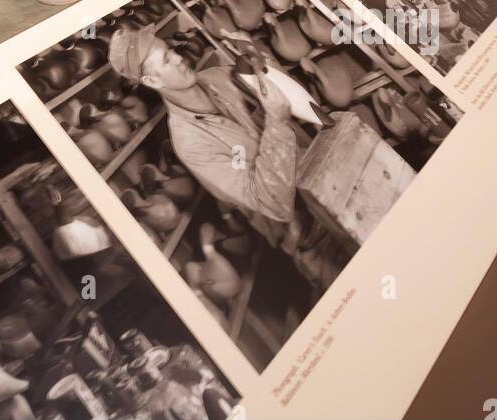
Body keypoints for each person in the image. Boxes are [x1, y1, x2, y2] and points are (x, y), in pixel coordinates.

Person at [108, 25, 347, 291]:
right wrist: (276, 125)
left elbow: (288, 98)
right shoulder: (190, 144)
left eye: (171, 50)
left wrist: (260, 58)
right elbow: (272, 203)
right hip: (315, 238)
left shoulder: (218, 77)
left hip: (332, 182)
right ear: (152, 81)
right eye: (166, 60)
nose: (178, 57)